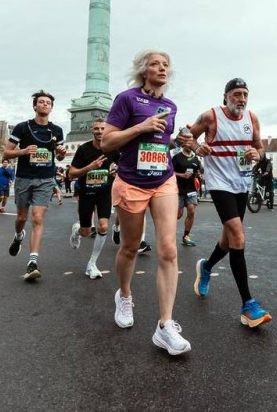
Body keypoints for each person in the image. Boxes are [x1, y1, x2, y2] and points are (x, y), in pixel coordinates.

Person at [101, 50, 191, 355]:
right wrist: (140, 127)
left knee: (168, 248)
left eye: (166, 64)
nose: (162, 68)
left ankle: (165, 325)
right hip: (131, 181)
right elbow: (107, 141)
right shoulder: (126, 99)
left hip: (163, 180)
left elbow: (161, 142)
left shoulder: (170, 106)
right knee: (130, 247)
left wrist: (182, 143)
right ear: (143, 70)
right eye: (156, 63)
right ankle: (124, 295)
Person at [187, 78, 272, 328]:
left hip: (241, 184)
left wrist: (258, 154)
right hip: (219, 184)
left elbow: (260, 148)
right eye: (236, 94)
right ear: (225, 97)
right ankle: (248, 305)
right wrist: (196, 147)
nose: (241, 99)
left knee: (228, 239)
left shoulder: (252, 119)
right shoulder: (211, 116)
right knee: (238, 236)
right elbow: (186, 138)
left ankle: (206, 266)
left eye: (245, 94)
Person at [4, 91, 67, 281]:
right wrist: (23, 151)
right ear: (35, 106)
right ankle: (18, 235)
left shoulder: (57, 131)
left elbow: (60, 157)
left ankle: (32, 262)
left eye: (48, 103)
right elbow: (6, 154)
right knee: (22, 217)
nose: (45, 105)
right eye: (41, 102)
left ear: (51, 107)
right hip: (24, 177)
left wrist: (61, 153)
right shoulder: (23, 128)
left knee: (38, 218)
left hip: (46, 178)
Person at [69, 118, 118, 279]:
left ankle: (92, 263)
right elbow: (71, 174)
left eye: (103, 128)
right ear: (92, 131)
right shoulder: (84, 149)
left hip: (104, 193)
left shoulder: (113, 148)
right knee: (85, 232)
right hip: (87, 193)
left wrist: (116, 171)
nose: (100, 131)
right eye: (96, 129)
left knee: (103, 227)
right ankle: (76, 231)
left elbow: (122, 166)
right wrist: (90, 167)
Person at [172, 137, 201, 247]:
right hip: (178, 189)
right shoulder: (176, 158)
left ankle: (186, 236)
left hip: (191, 189)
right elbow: (169, 172)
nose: (191, 145)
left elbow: (196, 171)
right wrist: (181, 175)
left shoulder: (195, 159)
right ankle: (168, 235)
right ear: (184, 144)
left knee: (191, 211)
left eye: (192, 143)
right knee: (177, 215)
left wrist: (199, 175)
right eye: (189, 143)